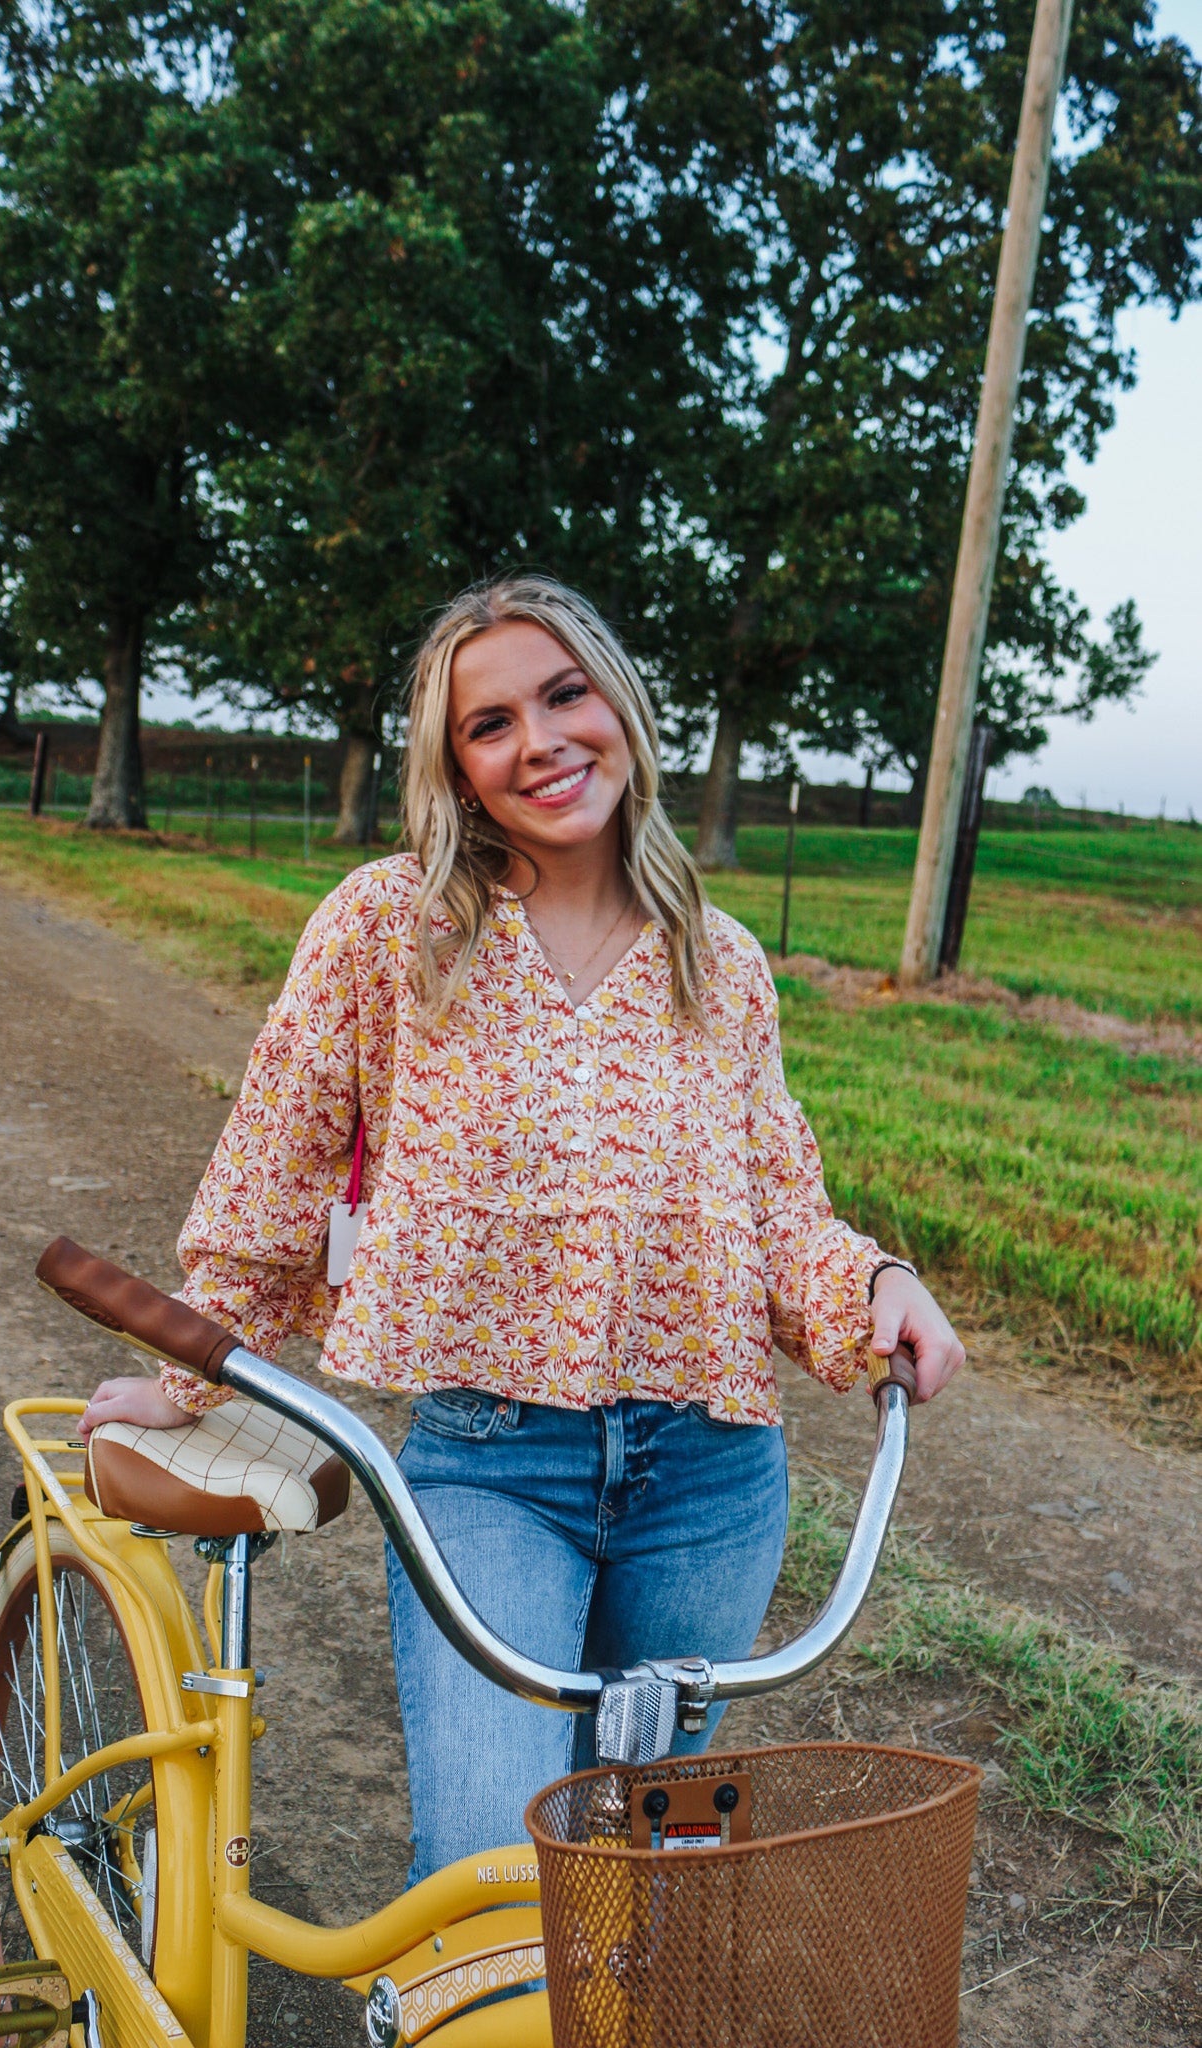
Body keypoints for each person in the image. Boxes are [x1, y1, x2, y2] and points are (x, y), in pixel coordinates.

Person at [81, 574, 964, 1881]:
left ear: (619, 702)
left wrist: (878, 1280)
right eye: (488, 724)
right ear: (457, 769)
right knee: (495, 1886)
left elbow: (776, 1205)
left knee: (657, 1867)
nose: (539, 741)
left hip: (713, 1482)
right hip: (492, 1474)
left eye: (563, 694)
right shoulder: (390, 929)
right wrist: (190, 1373)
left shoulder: (715, 959)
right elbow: (271, 1179)